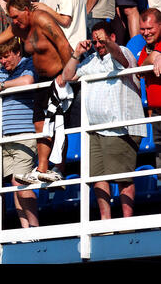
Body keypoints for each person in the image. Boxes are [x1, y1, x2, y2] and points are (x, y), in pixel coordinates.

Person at [0, 0, 72, 182]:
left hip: (59, 76)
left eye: (17, 17)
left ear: (27, 10)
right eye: (11, 18)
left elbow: (63, 44)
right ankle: (42, 168)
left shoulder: (42, 19)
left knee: (57, 123)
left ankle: (59, 168)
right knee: (39, 123)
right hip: (42, 80)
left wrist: (67, 74)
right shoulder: (19, 27)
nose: (15, 21)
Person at [61, 21, 146, 220]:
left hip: (120, 127)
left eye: (101, 40)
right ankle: (104, 222)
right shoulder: (91, 60)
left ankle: (127, 222)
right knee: (97, 177)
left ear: (112, 37)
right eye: (95, 41)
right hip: (95, 129)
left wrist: (107, 43)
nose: (98, 44)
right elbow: (67, 76)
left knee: (122, 177)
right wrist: (77, 53)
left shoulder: (122, 51)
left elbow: (119, 58)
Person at [0, 38, 40, 228]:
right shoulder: (3, 72)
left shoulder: (28, 64)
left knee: (20, 182)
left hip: (24, 134)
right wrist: (2, 82)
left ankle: (35, 228)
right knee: (15, 184)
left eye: (6, 57)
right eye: (0, 58)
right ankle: (25, 230)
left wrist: (3, 86)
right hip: (5, 136)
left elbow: (27, 80)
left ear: (17, 53)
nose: (3, 62)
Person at [137, 8, 161, 175]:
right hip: (156, 113)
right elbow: (140, 70)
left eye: (150, 28)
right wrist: (153, 57)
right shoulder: (146, 49)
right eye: (143, 29)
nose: (146, 33)